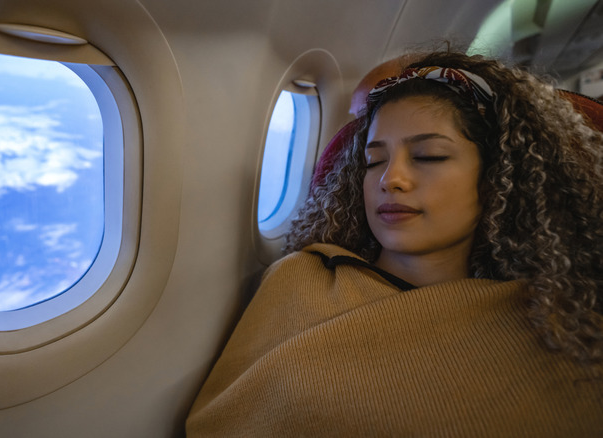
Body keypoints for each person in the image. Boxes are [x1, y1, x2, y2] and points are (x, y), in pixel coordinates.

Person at [186, 50, 603, 436]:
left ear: (496, 179)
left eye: (429, 157)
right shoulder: (300, 279)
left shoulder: (556, 322)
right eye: (375, 161)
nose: (391, 180)